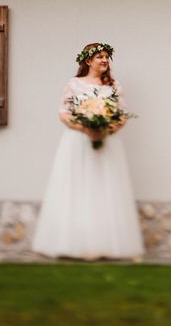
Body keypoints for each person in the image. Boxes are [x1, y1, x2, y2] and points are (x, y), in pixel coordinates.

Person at [32, 42, 144, 259]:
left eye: (106, 57)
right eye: (100, 57)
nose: (104, 60)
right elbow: (64, 113)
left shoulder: (114, 86)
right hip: (78, 142)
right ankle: (73, 243)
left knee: (105, 188)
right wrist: (86, 127)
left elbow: (122, 115)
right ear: (87, 60)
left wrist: (106, 129)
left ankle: (106, 245)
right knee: (78, 188)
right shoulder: (74, 84)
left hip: (107, 142)